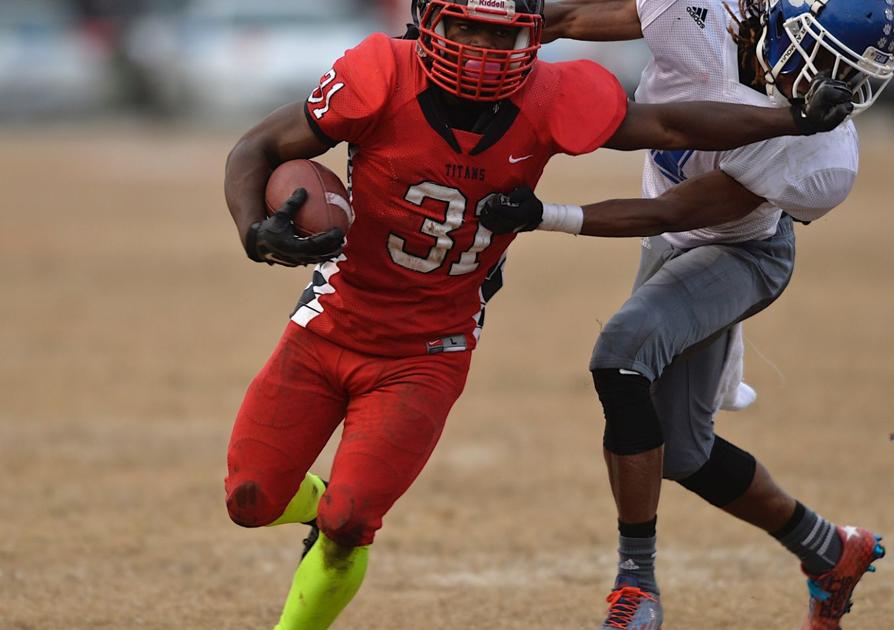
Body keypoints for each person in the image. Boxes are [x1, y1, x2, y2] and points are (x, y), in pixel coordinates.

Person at [221, 0, 854, 626]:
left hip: (430, 348)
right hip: (331, 322)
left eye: (500, 36)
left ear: (531, 36)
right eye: (465, 28)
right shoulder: (380, 74)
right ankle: (320, 505)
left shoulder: (550, 94)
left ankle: (327, 553)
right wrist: (254, 230)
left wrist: (790, 120)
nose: (480, 51)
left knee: (351, 521)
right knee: (250, 501)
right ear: (429, 21)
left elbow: (668, 126)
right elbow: (256, 147)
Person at [480, 0, 894, 628]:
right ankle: (830, 550)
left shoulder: (823, 156)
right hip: (671, 239)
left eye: (851, 77)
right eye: (825, 64)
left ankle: (636, 587)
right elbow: (564, 21)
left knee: (620, 359)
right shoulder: (697, 13)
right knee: (681, 451)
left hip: (740, 252)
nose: (833, 90)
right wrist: (485, 43)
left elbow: (672, 212)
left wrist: (547, 215)